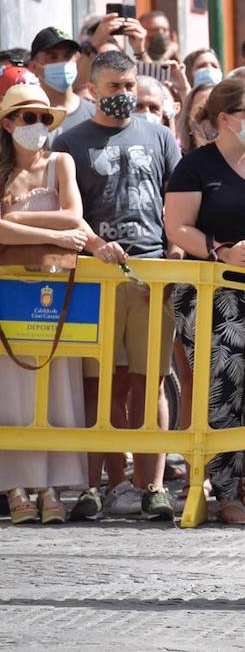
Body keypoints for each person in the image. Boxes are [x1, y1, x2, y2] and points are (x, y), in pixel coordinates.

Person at [52, 50, 181, 521]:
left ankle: (155, 487)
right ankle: (97, 485)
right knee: (100, 386)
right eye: (113, 88)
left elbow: (177, 201)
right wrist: (91, 244)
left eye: (129, 86)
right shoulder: (69, 142)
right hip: (94, 277)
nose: (124, 95)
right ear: (92, 90)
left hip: (152, 275)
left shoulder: (161, 136)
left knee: (152, 383)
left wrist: (175, 254)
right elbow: (68, 211)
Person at [164, 78, 245, 524]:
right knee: (225, 390)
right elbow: (178, 226)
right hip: (214, 295)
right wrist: (220, 250)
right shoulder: (196, 167)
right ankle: (225, 490)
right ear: (225, 118)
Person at [0, 83, 90, 524]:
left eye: (43, 118)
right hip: (8, 289)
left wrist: (17, 219)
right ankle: (16, 485)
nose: (37, 125)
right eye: (27, 117)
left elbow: (74, 215)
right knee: (11, 387)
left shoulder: (61, 162)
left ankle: (52, 485)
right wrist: (52, 233)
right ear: (8, 123)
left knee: (56, 383)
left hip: (52, 287)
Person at [28, 27, 96, 141]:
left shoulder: (95, 114)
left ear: (77, 59)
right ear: (34, 67)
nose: (62, 63)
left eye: (68, 55)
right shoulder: (27, 117)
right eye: (52, 57)